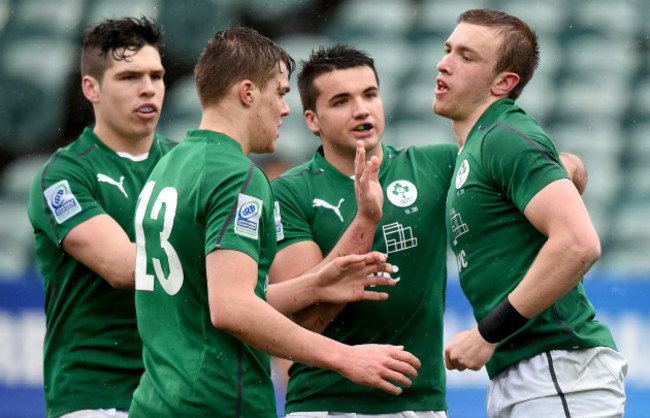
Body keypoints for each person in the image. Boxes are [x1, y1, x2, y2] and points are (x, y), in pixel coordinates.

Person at [269, 44, 589, 418]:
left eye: (370, 94)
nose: (361, 109)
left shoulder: (438, 166)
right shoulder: (289, 191)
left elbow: (571, 168)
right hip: (324, 403)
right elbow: (308, 320)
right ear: (312, 120)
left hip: (421, 404)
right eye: (341, 101)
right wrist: (365, 220)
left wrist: (548, 175)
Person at [128, 27, 421, 417]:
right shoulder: (237, 176)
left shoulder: (168, 166)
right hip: (216, 402)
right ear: (248, 93)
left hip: (157, 400)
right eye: (280, 93)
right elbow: (231, 307)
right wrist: (345, 357)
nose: (286, 109)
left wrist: (315, 284)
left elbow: (205, 291)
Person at [434, 8, 627, 417]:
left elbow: (579, 244)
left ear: (503, 83)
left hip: (558, 370)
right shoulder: (485, 142)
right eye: (449, 49)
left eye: (467, 57)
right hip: (534, 376)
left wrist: (487, 333)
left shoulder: (502, 136)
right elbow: (557, 166)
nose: (444, 62)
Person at [27, 17, 173, 418]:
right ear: (91, 88)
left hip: (174, 395)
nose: (148, 88)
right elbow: (123, 267)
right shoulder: (64, 174)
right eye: (129, 77)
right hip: (94, 398)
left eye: (156, 76)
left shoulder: (187, 165)